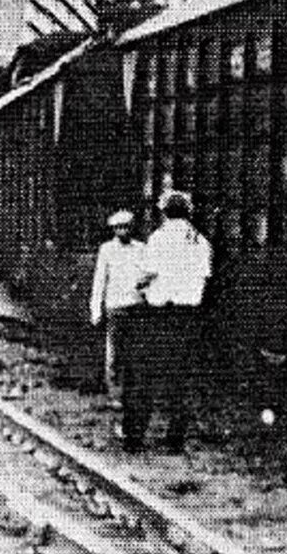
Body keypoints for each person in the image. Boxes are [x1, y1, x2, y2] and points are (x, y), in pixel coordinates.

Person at [122, 191, 213, 453]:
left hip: (159, 316)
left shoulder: (158, 239)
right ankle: (175, 439)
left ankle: (135, 438)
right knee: (181, 380)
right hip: (188, 318)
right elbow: (204, 278)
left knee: (143, 377)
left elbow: (148, 273)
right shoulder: (200, 241)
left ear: (164, 212)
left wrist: (139, 285)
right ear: (189, 212)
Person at [88, 210, 146, 394]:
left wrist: (145, 292)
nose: (123, 231)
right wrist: (96, 310)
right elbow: (99, 280)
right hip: (115, 306)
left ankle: (132, 391)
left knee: (134, 352)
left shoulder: (141, 248)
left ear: (132, 227)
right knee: (113, 352)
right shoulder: (106, 250)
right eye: (118, 228)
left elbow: (147, 275)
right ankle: (114, 390)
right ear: (113, 230)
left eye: (126, 227)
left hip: (136, 305)